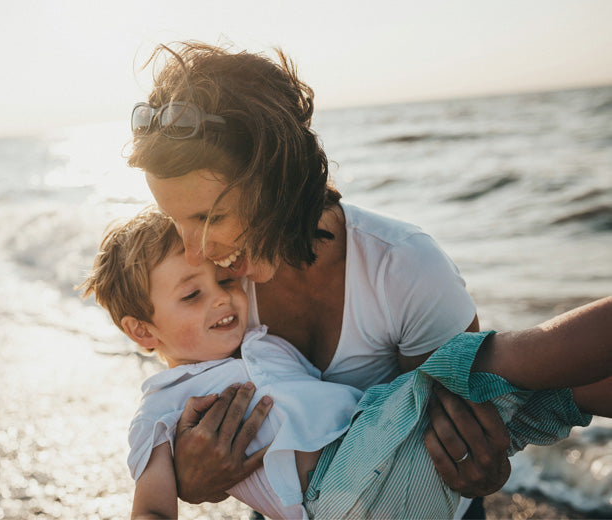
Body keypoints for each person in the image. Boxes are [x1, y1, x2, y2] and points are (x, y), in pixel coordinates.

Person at [126, 41, 511, 517]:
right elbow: (190, 399)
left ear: (277, 179)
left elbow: (461, 435)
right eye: (174, 221)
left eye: (210, 217)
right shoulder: (216, 286)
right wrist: (191, 477)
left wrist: (485, 468)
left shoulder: (405, 269)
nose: (194, 251)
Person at [80, 207, 611, 520]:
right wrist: (188, 482)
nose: (223, 299)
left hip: (394, 474)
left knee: (553, 397)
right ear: (142, 331)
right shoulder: (163, 405)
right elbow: (150, 507)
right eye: (191, 296)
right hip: (337, 493)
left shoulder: (262, 344)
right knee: (490, 364)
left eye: (223, 281)